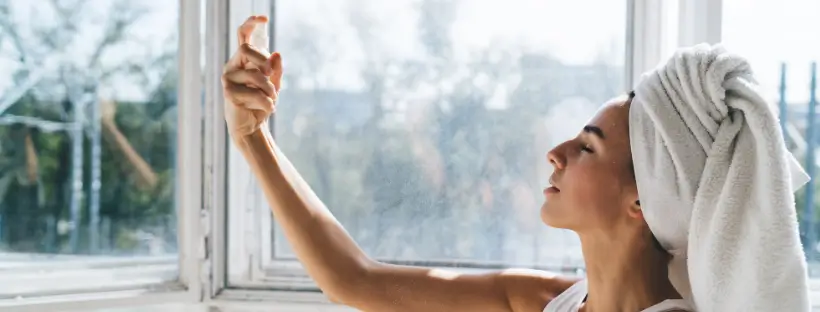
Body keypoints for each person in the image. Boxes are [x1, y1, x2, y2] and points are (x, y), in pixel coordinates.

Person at [222, 15, 810, 312]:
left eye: (587, 147)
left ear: (643, 199)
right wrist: (253, 139)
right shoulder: (547, 302)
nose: (555, 154)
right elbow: (355, 280)